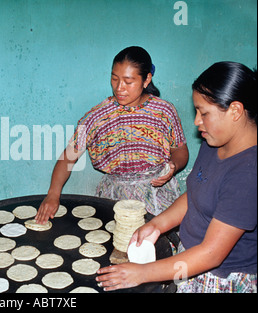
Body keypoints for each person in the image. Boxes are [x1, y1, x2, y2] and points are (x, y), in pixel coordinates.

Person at [96, 61, 257, 293]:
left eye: (204, 112)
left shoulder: (248, 174)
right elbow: (194, 194)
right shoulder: (214, 142)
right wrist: (157, 224)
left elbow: (211, 254)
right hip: (188, 260)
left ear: (235, 111)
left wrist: (141, 273)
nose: (196, 121)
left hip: (220, 279)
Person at [36, 46, 188, 223]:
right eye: (114, 79)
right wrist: (53, 194)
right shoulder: (98, 116)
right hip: (115, 199)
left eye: (128, 81)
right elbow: (68, 158)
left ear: (146, 79)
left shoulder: (164, 111)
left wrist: (173, 166)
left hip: (157, 197)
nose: (119, 88)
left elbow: (180, 150)